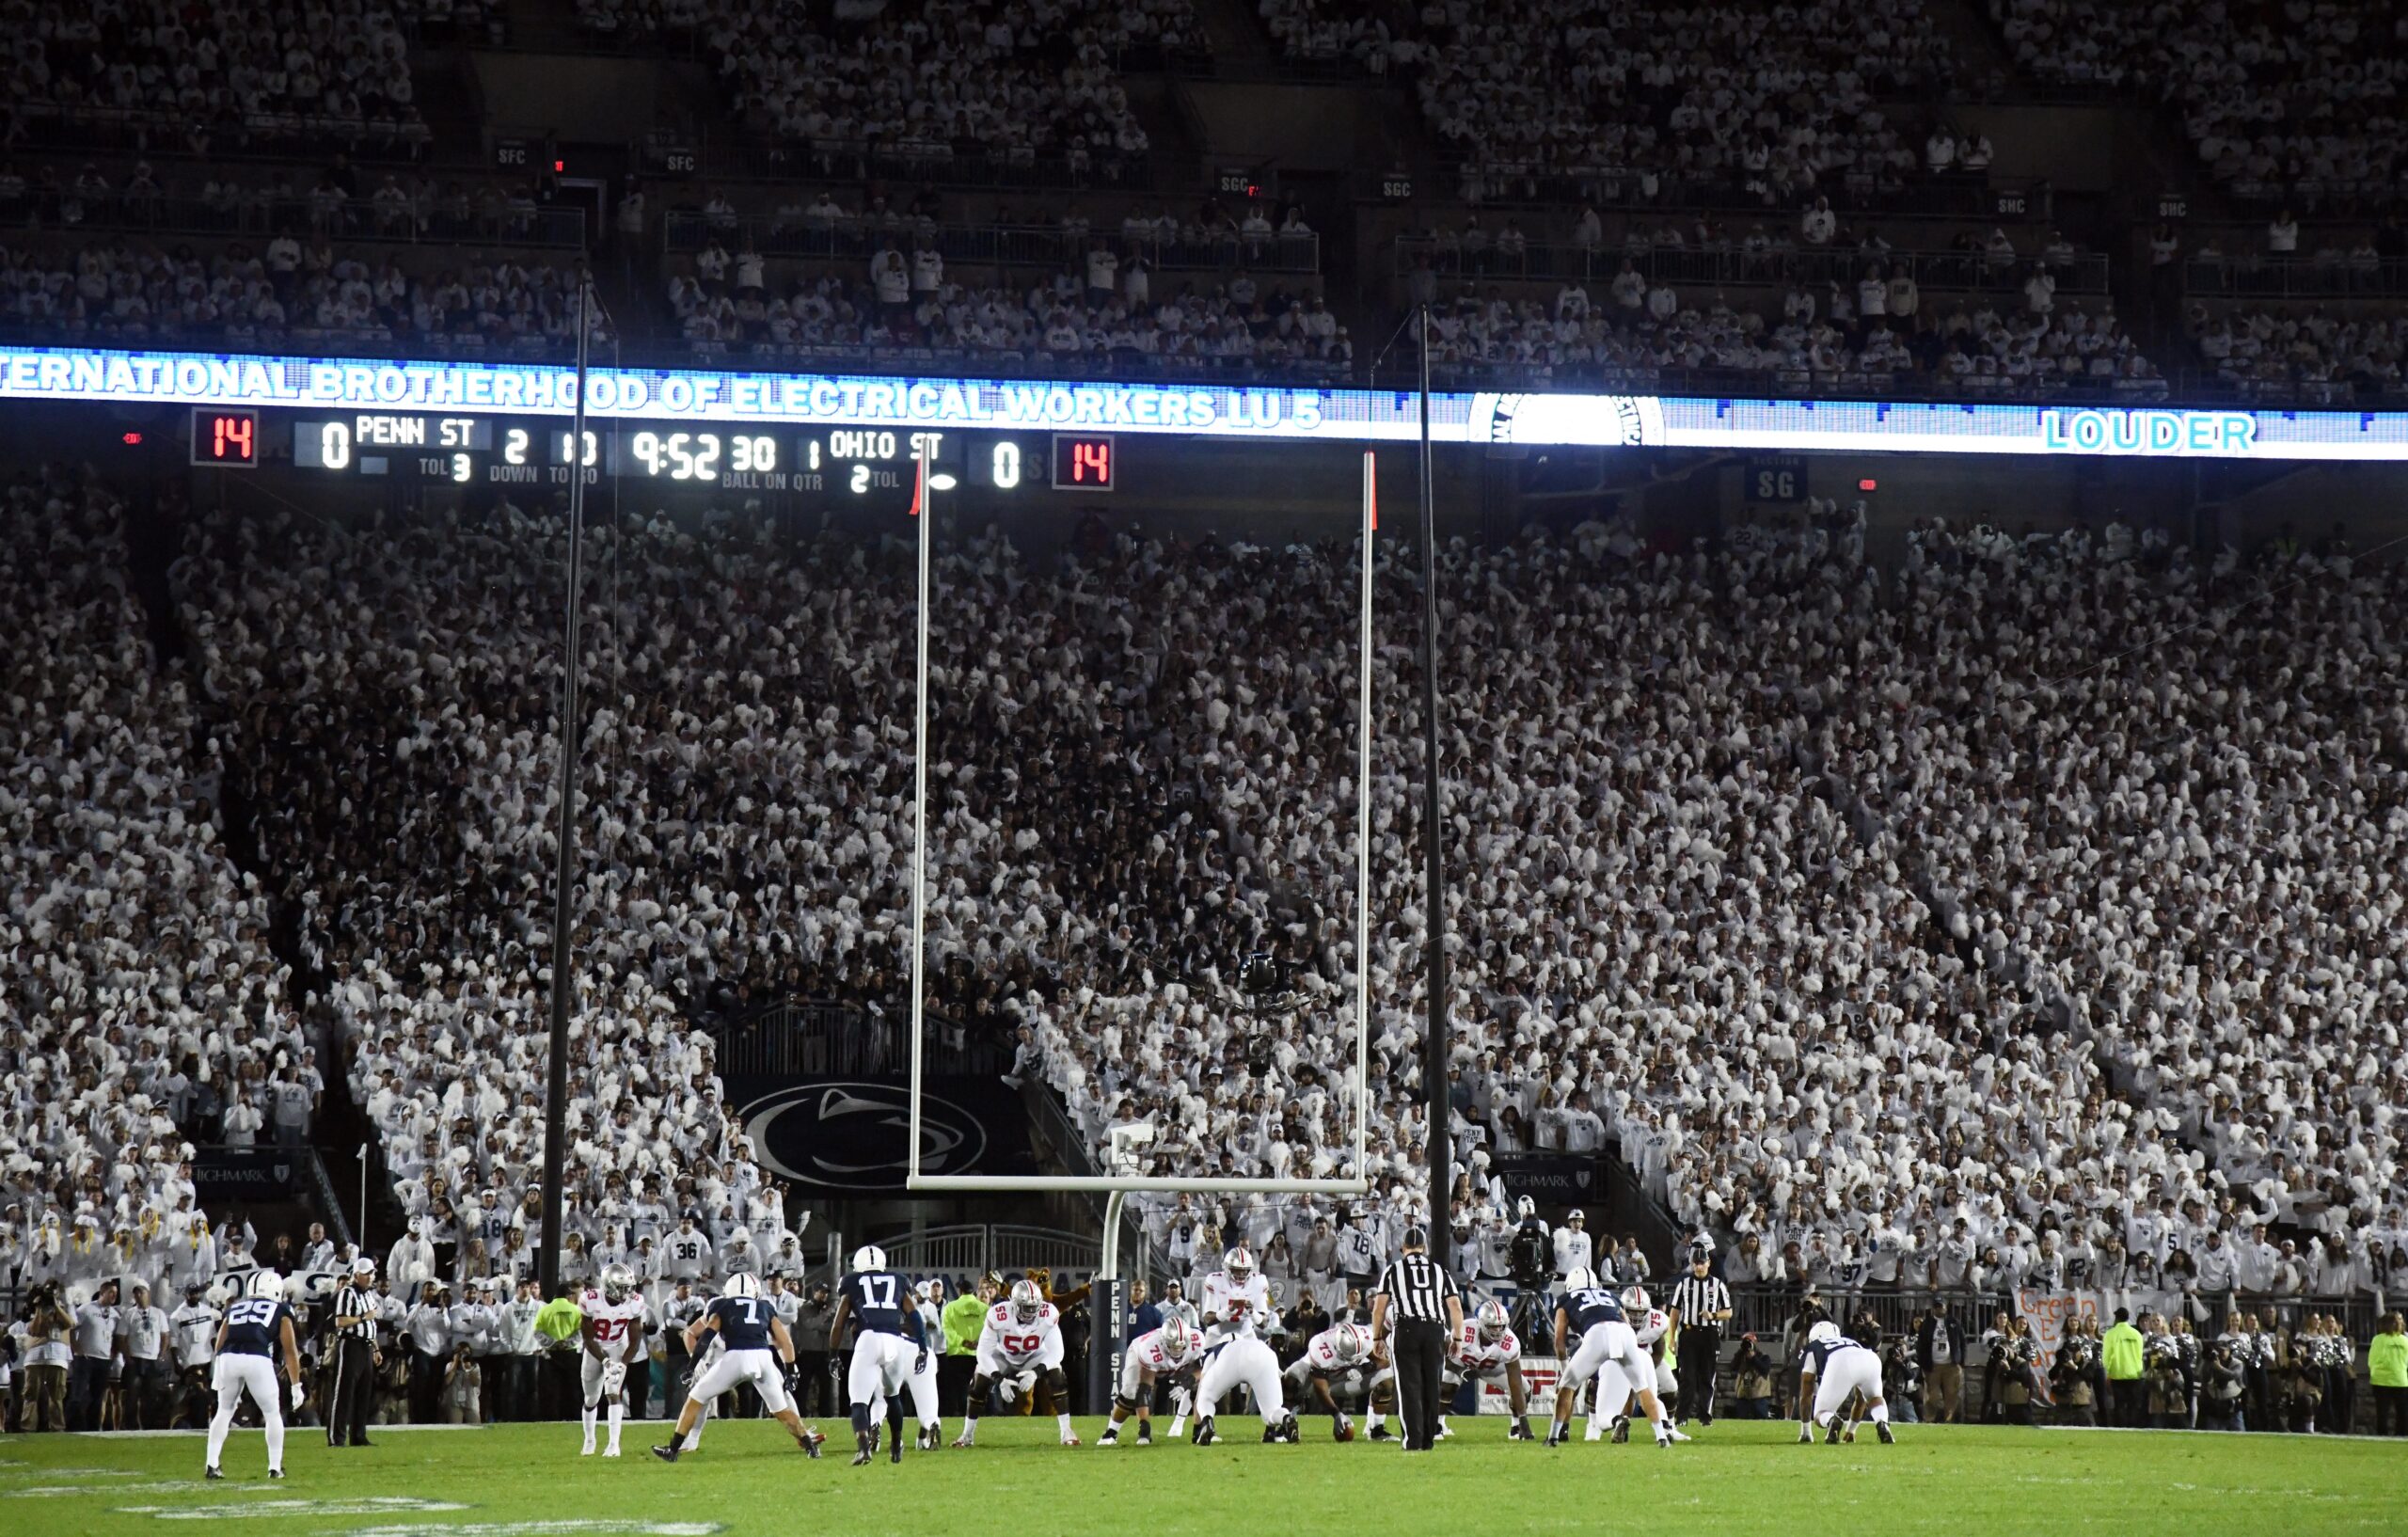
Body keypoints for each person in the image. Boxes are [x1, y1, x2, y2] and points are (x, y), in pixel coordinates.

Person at [649, 1273, 823, 1463]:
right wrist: (790, 1371)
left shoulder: (721, 1305)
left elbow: (706, 1336)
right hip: (763, 1358)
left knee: (696, 1398)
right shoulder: (765, 1306)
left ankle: (673, 1450)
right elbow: (786, 1342)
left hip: (735, 1357)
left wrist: (692, 1366)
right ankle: (810, 1447)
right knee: (781, 1410)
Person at [1547, 1265, 1675, 1449]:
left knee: (1566, 1386)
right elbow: (1625, 1321)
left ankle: (1553, 1436)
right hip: (1625, 1333)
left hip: (1597, 1333)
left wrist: (1563, 1368)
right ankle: (1661, 1436)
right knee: (1642, 1387)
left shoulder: (1565, 1300)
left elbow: (1559, 1341)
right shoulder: (1609, 1296)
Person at [827, 1244, 927, 1466]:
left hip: (869, 1339)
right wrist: (922, 1347)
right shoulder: (899, 1280)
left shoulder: (852, 1281)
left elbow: (839, 1321)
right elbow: (915, 1316)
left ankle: (864, 1450)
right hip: (895, 1341)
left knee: (859, 1400)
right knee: (892, 1396)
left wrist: (833, 1354)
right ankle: (896, 1445)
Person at [205, 1271, 305, 1481]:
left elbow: (219, 1343)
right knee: (271, 1413)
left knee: (224, 1411)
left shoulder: (234, 1307)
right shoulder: (281, 1309)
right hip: (257, 1357)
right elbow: (290, 1350)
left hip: (228, 1358)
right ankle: (275, 1467)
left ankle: (212, 1464)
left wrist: (219, 1372)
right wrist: (296, 1385)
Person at [952, 1279, 1075, 1448]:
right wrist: (998, 1380)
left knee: (1057, 1376)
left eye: (1034, 1307)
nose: (1032, 1312)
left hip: (1034, 1355)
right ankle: (966, 1436)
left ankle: (1067, 1432)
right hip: (1003, 1355)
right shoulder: (998, 1314)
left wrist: (1036, 1372)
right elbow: (983, 1352)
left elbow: (1057, 1352)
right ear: (1015, 1303)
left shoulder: (1048, 1313)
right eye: (1027, 1307)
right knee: (978, 1383)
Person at [1193, 1244, 1294, 1445]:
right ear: (1227, 1268)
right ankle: (1199, 1429)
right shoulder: (1215, 1279)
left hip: (1246, 1335)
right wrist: (1228, 1311)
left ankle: (1271, 1431)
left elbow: (1264, 1323)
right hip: (1218, 1336)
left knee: (1270, 1374)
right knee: (1204, 1383)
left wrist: (1251, 1312)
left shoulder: (1258, 1282)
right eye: (1237, 1271)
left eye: (1244, 1271)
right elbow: (1207, 1319)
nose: (1240, 1275)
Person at [1097, 1314, 1199, 1446]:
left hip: (1174, 1365)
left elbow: (1203, 1369)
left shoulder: (1197, 1342)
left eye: (1181, 1347)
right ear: (1164, 1341)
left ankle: (1201, 1430)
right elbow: (1145, 1388)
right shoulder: (1149, 1348)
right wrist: (1144, 1428)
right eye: (1173, 1346)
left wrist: (1185, 1384)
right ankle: (1111, 1432)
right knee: (1130, 1393)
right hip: (1139, 1353)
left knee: (1201, 1385)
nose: (1177, 1351)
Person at [579, 1265, 648, 1457]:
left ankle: (613, 1444)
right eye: (622, 1287)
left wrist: (622, 1363)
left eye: (629, 1287)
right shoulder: (590, 1300)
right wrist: (605, 1361)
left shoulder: (635, 1303)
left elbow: (635, 1340)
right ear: (608, 1286)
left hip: (618, 1345)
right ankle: (590, 1439)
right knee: (591, 1399)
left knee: (613, 1392)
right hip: (595, 1350)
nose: (627, 1292)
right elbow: (588, 1339)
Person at [1796, 1320, 1893, 1446]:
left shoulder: (1813, 1347)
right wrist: (1851, 1430)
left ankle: (1832, 1420)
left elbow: (1806, 1391)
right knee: (1874, 1398)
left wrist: (1806, 1432)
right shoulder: (1850, 1342)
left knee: (1821, 1413)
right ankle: (1882, 1422)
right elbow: (1860, 1399)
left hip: (1841, 1360)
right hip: (1870, 1357)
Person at [1286, 1316, 1375, 1440]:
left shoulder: (1368, 1336)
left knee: (1386, 1376)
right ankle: (1287, 1418)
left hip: (1347, 1374)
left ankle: (1376, 1426)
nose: (1352, 1359)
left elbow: (1383, 1362)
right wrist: (1336, 1414)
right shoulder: (1320, 1345)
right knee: (1291, 1377)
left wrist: (1362, 1369)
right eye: (1349, 1355)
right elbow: (1320, 1387)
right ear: (1337, 1346)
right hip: (1324, 1374)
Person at [1667, 1255, 1730, 1424]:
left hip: (1709, 1333)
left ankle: (1705, 1416)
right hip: (1689, 1332)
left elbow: (1728, 1312)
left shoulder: (1717, 1285)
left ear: (1708, 1264)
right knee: (1686, 1376)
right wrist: (1671, 1338)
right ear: (1692, 1264)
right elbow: (1674, 1312)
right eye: (1696, 1263)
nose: (1699, 1267)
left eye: (1702, 1263)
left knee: (1707, 1376)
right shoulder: (1684, 1284)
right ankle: (1682, 1416)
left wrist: (1713, 1315)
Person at [940, 1274, 991, 1417]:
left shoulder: (950, 1307)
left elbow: (947, 1329)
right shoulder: (984, 1308)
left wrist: (963, 1342)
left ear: (960, 1292)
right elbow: (990, 1330)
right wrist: (978, 1343)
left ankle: (965, 1413)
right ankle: (980, 1413)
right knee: (979, 1385)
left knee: (961, 1388)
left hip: (957, 1354)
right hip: (978, 1353)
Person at [1917, 1306, 1967, 1423]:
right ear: (1933, 1309)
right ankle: (1929, 1419)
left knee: (1951, 1394)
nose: (1939, 1310)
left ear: (1945, 1308)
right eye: (1936, 1307)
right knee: (1932, 1395)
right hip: (1933, 1365)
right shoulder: (1927, 1323)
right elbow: (1921, 1345)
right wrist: (1923, 1364)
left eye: (1941, 1307)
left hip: (1951, 1365)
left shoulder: (1954, 1322)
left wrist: (1961, 1362)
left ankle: (1949, 1420)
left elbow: (1962, 1342)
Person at [2101, 1307, 2146, 1428]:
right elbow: (2140, 1354)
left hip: (2117, 1374)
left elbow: (2106, 1357)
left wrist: (2108, 1373)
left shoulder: (2110, 1334)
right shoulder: (2136, 1334)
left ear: (2116, 1318)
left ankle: (2121, 1429)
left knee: (2120, 1405)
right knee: (2134, 1405)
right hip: (2135, 1374)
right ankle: (2133, 1428)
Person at [2368, 1313, 2407, 1435]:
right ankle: (2384, 1436)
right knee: (2383, 1413)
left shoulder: (2404, 1340)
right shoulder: (2379, 1339)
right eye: (2394, 1322)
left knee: (2402, 1413)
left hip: (2398, 1380)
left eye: (2398, 1322)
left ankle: (2399, 1435)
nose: (2397, 1324)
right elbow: (2373, 1359)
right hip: (2383, 1380)